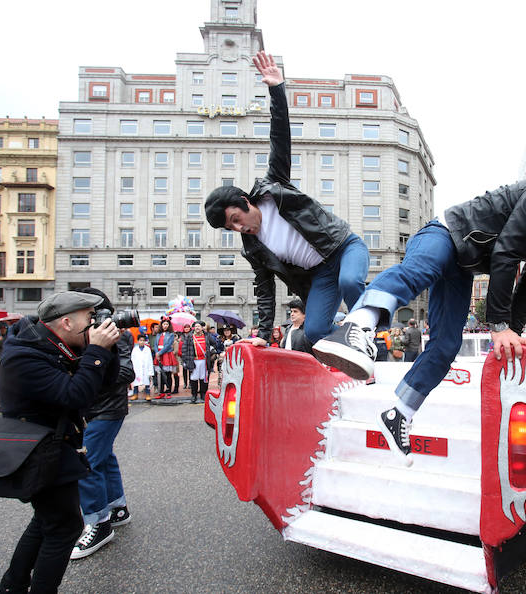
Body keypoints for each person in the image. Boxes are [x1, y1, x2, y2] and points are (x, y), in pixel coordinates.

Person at [313, 154, 526, 457]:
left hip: (464, 265)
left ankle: (399, 413)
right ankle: (356, 326)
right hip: (444, 234)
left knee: (447, 345)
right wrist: (497, 326)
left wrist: (514, 333)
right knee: (422, 269)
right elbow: (506, 253)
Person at [204, 51, 368, 348]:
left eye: (236, 219)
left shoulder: (273, 187)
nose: (239, 229)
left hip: (343, 248)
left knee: (350, 282)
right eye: (232, 229)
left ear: (245, 201)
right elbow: (264, 290)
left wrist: (277, 90)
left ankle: (370, 325)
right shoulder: (253, 248)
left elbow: (279, 139)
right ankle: (347, 339)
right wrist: (263, 336)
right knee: (315, 332)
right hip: (320, 275)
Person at [0, 291, 120, 593]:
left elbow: (105, 383)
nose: (94, 323)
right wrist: (96, 352)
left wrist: (107, 349)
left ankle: (13, 585)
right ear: (66, 322)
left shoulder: (54, 345)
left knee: (46, 521)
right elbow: (74, 395)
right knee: (64, 528)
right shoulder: (25, 355)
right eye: (89, 318)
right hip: (39, 452)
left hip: (54, 447)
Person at [69, 287, 135, 560]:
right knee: (104, 458)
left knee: (87, 464)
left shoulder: (109, 332)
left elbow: (125, 370)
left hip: (106, 409)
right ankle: (117, 508)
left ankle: (98, 523)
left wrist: (91, 367)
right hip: (100, 408)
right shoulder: (97, 332)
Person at [183, 322, 214, 404]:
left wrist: (211, 351)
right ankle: (194, 395)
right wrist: (185, 360)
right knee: (194, 378)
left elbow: (214, 343)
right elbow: (184, 348)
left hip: (204, 361)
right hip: (194, 360)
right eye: (195, 326)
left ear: (202, 327)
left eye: (198, 326)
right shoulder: (189, 336)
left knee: (204, 378)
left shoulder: (207, 336)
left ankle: (203, 394)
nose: (197, 328)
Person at [153, 319, 177, 398]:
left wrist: (160, 353)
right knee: (160, 375)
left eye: (167, 324)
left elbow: (168, 345)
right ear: (161, 325)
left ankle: (169, 391)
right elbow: (155, 344)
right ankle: (161, 392)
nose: (165, 326)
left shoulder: (171, 334)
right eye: (164, 324)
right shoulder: (158, 334)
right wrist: (157, 353)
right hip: (159, 355)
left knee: (168, 374)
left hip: (166, 355)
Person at [130, 334, 154, 401]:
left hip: (146, 368)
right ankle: (135, 394)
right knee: (136, 382)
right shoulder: (135, 350)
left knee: (147, 382)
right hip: (137, 368)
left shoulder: (147, 349)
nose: (142, 342)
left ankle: (148, 394)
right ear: (138, 341)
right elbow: (132, 359)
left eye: (143, 340)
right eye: (140, 340)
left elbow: (150, 360)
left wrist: (150, 371)